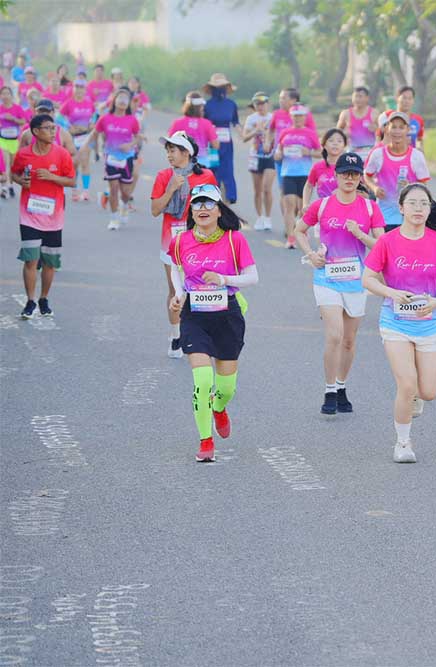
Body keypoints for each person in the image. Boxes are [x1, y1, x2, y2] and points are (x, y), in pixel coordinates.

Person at [361, 183, 436, 463]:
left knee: (427, 391)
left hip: (430, 321)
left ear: (430, 210)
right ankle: (403, 443)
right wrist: (391, 292)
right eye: (413, 203)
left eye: (424, 204)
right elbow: (367, 278)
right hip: (395, 321)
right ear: (401, 208)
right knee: (406, 383)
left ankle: (415, 396)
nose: (419, 209)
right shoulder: (387, 241)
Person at [169, 184, 258, 463]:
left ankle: (219, 407)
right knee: (203, 379)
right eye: (197, 205)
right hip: (194, 316)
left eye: (209, 204)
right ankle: (205, 441)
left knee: (226, 387)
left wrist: (225, 280)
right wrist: (179, 294)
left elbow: (253, 277)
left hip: (227, 315)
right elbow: (176, 268)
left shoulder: (235, 240)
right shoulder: (181, 240)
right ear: (192, 211)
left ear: (219, 210)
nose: (203, 209)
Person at [295, 152, 385, 414]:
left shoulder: (370, 208)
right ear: (335, 176)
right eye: (345, 173)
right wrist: (311, 254)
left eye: (355, 174)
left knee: (349, 340)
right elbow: (299, 230)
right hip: (327, 279)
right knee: (334, 335)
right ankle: (329, 391)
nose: (349, 178)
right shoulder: (322, 205)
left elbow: (381, 245)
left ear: (360, 178)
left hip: (356, 282)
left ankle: (342, 385)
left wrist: (359, 233)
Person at [151, 132, 219, 359]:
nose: (169, 155)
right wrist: (171, 188)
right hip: (171, 242)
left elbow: (215, 208)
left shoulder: (206, 176)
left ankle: (197, 335)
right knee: (175, 290)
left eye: (173, 150)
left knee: (198, 289)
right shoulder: (163, 176)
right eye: (167, 150)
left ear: (186, 152)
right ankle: (175, 335)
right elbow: (154, 210)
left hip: (200, 242)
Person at [10, 114, 75, 320]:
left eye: (54, 128)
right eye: (48, 128)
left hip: (53, 216)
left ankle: (43, 298)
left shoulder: (62, 154)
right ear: (36, 132)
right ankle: (30, 301)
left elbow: (72, 181)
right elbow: (15, 174)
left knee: (49, 262)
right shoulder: (23, 155)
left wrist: (52, 177)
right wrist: (22, 182)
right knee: (31, 260)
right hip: (29, 215)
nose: (53, 132)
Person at [363, 111, 431, 233]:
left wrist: (411, 187)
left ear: (408, 129)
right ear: (387, 129)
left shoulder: (416, 156)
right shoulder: (378, 154)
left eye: (401, 127)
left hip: (409, 216)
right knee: (385, 251)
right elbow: (367, 175)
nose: (397, 131)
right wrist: (374, 188)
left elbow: (424, 184)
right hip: (384, 216)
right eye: (393, 127)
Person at [274, 104, 321, 248]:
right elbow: (278, 152)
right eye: (295, 116)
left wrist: (309, 153)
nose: (298, 118)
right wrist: (278, 154)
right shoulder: (285, 132)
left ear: (305, 117)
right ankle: (291, 238)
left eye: (301, 116)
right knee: (289, 204)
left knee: (301, 208)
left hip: (304, 174)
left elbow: (320, 152)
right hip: (288, 172)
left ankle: (301, 232)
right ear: (291, 117)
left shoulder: (310, 133)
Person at [93, 88, 141, 230]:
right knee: (113, 188)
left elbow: (138, 137)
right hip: (111, 157)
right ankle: (114, 219)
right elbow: (96, 133)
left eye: (125, 99)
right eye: (120, 97)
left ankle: (124, 206)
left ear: (128, 103)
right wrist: (97, 151)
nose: (122, 101)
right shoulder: (105, 118)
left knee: (125, 192)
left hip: (127, 159)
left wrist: (130, 145)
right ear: (114, 100)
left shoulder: (132, 120)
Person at [203, 73, 242, 204]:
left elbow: (236, 122)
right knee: (213, 170)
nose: (220, 90)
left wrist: (242, 134)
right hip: (212, 143)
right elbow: (203, 123)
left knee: (228, 170)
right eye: (217, 87)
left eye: (223, 87)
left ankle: (228, 200)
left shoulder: (231, 104)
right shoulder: (207, 105)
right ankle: (213, 199)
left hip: (227, 143)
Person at [243, 92, 276, 230]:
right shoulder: (251, 118)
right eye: (257, 104)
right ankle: (260, 217)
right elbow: (244, 137)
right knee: (257, 190)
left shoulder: (273, 118)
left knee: (267, 188)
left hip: (271, 156)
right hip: (255, 156)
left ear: (268, 104)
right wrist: (256, 130)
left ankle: (268, 218)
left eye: (263, 104)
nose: (260, 106)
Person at [60, 79, 96, 201]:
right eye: (77, 87)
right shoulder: (68, 103)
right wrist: (69, 127)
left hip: (86, 137)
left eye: (81, 87)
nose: (79, 89)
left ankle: (85, 192)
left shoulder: (89, 103)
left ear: (85, 90)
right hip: (73, 138)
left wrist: (91, 125)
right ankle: (74, 190)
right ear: (73, 89)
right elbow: (59, 117)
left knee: (85, 162)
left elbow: (95, 117)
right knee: (74, 163)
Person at [168, 92, 219, 174]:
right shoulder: (207, 123)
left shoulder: (177, 123)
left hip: (182, 163)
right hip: (202, 165)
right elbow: (216, 145)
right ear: (200, 107)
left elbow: (170, 144)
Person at [304, 128, 347, 205]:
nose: (335, 143)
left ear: (344, 146)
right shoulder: (317, 167)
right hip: (323, 209)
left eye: (339, 141)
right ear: (324, 145)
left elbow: (359, 189)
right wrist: (305, 204)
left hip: (345, 208)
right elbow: (308, 186)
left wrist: (341, 192)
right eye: (331, 140)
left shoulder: (349, 166)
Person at [0, 86, 29, 199]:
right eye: (3, 94)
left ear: (11, 96)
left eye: (8, 93)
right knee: (4, 162)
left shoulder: (17, 108)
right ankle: (4, 188)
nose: (5, 96)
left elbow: (23, 121)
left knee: (12, 165)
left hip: (14, 140)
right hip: (2, 140)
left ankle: (10, 185)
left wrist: (12, 119)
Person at [336, 86, 377, 160]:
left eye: (360, 96)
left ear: (367, 98)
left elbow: (384, 131)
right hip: (352, 150)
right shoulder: (346, 114)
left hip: (369, 150)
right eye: (355, 96)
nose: (357, 99)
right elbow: (337, 132)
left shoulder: (374, 113)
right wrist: (344, 133)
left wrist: (376, 129)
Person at [395, 85, 424, 149]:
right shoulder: (388, 117)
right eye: (404, 98)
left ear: (413, 101)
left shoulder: (418, 120)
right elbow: (380, 140)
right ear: (397, 98)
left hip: (410, 158)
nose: (407, 101)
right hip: (392, 157)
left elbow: (419, 140)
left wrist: (420, 152)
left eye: (410, 98)